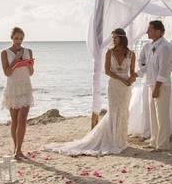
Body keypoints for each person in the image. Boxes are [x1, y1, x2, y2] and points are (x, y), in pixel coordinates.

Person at [46, 28, 136, 156]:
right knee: (114, 111)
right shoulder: (109, 53)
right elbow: (107, 71)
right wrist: (122, 79)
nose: (113, 40)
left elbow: (132, 72)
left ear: (122, 38)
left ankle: (121, 140)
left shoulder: (131, 54)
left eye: (115, 37)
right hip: (114, 86)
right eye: (112, 38)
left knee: (123, 111)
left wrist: (131, 79)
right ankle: (113, 140)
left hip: (126, 87)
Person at [137, 20, 172, 151]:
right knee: (153, 116)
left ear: (158, 31)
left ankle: (162, 145)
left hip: (161, 85)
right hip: (151, 83)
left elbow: (164, 70)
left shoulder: (165, 47)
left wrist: (157, 88)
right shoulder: (151, 46)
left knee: (162, 116)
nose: (146, 32)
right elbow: (148, 66)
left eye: (149, 29)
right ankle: (154, 141)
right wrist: (136, 74)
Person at [1, 27, 35, 160]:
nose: (19, 41)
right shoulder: (5, 53)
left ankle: (19, 150)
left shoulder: (28, 51)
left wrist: (30, 65)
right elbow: (7, 73)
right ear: (12, 38)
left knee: (22, 120)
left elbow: (31, 73)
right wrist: (16, 60)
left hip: (25, 87)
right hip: (12, 88)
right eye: (16, 38)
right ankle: (16, 149)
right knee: (14, 121)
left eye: (21, 38)